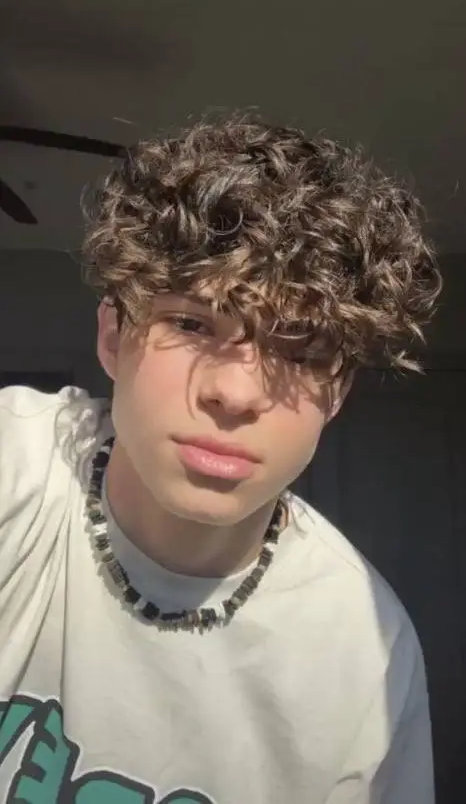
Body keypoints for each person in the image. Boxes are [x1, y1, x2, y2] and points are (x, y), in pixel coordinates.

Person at [0, 113, 441, 804]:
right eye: (190, 323)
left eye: (300, 350)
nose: (235, 393)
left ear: (337, 391)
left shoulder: (362, 652)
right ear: (113, 336)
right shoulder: (17, 468)